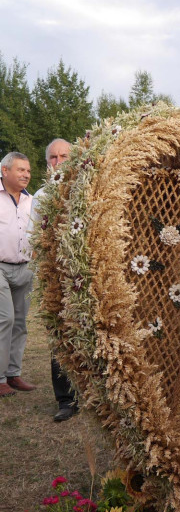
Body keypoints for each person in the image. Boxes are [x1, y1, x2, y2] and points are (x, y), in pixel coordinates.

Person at [31, 139, 78, 422]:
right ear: (47, 161)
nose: (58, 161)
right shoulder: (40, 196)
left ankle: (93, 397)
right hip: (55, 276)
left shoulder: (86, 187)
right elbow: (34, 237)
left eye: (63, 156)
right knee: (59, 337)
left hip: (84, 273)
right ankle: (65, 400)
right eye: (53, 157)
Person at [0, 152, 36, 398]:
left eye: (28, 171)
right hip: (0, 267)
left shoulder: (33, 201)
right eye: (20, 170)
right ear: (5, 170)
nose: (26, 175)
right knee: (5, 319)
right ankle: (0, 377)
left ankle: (14, 373)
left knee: (21, 323)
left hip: (26, 268)